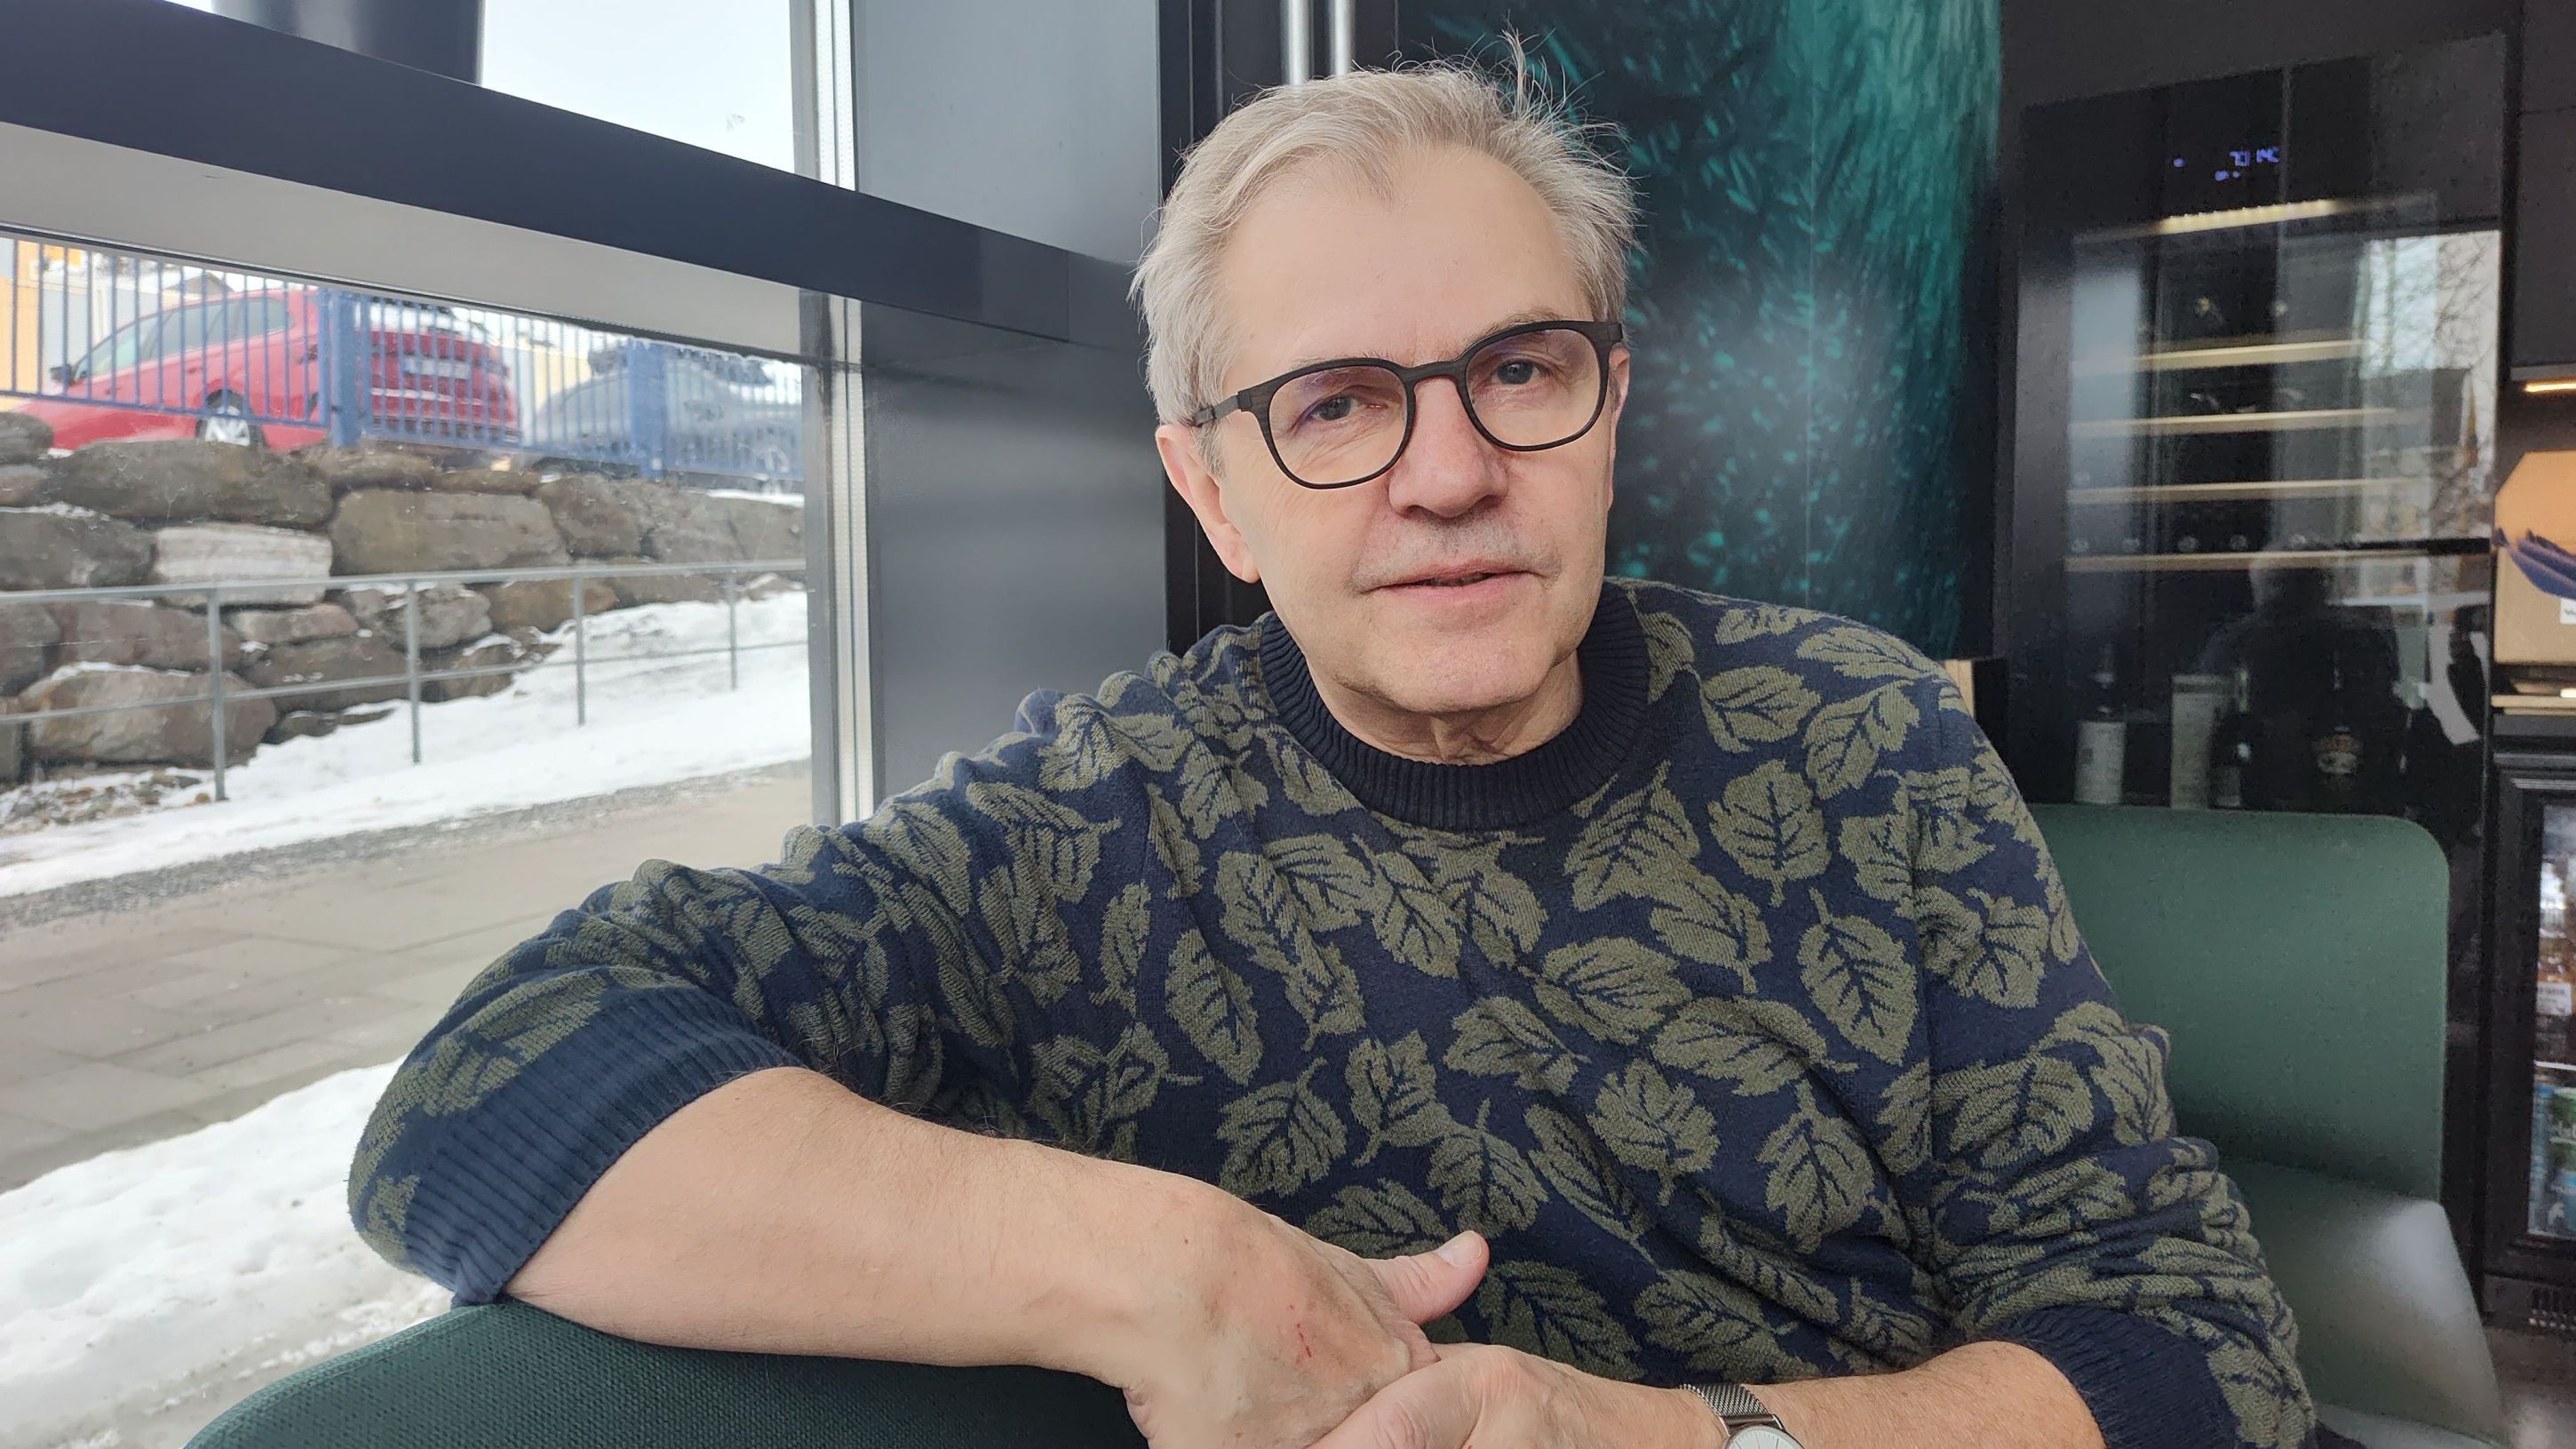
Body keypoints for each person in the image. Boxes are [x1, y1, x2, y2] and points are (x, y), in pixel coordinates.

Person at [351, 57, 2318, 1449]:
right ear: (1214, 491)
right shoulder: (1082, 827)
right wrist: (1162, 1268)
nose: (1449, 473)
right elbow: (485, 1093)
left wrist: (1690, 1442)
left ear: (1609, 409)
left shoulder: (1863, 733)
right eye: (1337, 405)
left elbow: (2196, 1351)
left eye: (1519, 371)